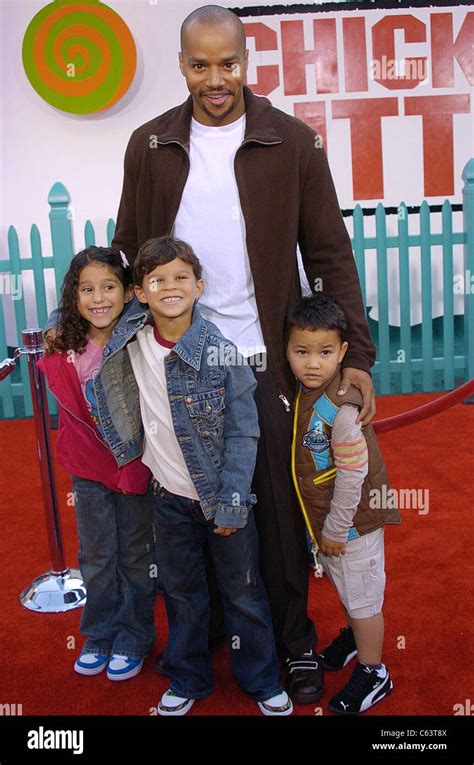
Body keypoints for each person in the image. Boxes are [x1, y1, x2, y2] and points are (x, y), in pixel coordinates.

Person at [46, 4, 377, 703]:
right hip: (176, 361)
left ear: (245, 60)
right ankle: (217, 637)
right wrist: (88, 327)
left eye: (228, 62)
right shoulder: (150, 143)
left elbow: (328, 254)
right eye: (201, 64)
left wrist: (359, 354)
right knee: (190, 507)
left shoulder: (292, 142)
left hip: (261, 357)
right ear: (183, 65)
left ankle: (294, 642)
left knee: (279, 511)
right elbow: (128, 246)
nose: (216, 78)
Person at [38, 247, 156, 681]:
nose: (98, 298)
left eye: (109, 287)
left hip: (135, 464)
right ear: (73, 298)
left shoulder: (139, 336)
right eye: (86, 289)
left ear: (128, 293)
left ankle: (134, 635)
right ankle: (100, 632)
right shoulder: (64, 341)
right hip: (86, 468)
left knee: (137, 555)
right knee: (98, 555)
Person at [285, 294, 401, 714]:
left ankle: (374, 671)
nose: (312, 363)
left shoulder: (343, 408)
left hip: (353, 525)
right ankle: (355, 639)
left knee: (365, 599)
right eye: (302, 352)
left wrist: (334, 529)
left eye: (325, 353)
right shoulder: (304, 392)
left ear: (343, 352)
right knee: (348, 591)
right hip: (332, 524)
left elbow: (353, 475)